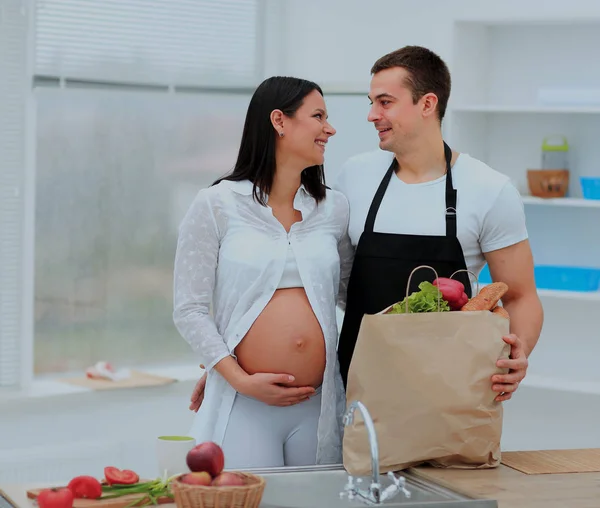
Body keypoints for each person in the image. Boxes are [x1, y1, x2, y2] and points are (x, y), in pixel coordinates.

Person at [334, 45, 544, 402]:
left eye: (384, 102)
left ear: (427, 104)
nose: (372, 115)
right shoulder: (354, 176)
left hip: (450, 393)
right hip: (358, 386)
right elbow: (338, 281)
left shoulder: (489, 189)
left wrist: (515, 353)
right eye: (371, 102)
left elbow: (522, 296)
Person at [172, 76, 353, 469]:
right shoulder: (216, 204)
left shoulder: (334, 209)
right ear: (279, 121)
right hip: (244, 404)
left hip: (317, 405)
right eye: (318, 116)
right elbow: (189, 309)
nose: (330, 128)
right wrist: (233, 376)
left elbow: (351, 295)